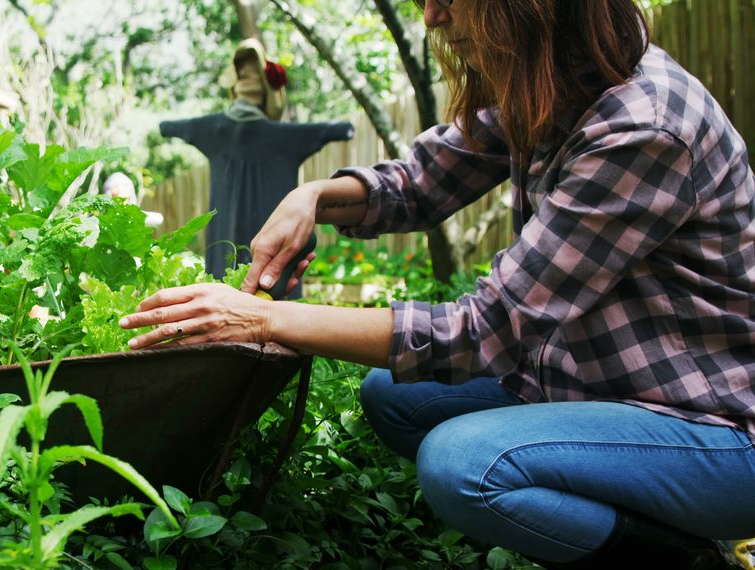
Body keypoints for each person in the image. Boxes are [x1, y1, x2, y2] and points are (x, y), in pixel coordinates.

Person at [121, 0, 755, 567]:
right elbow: (421, 182)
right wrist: (311, 195)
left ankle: (682, 559)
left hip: (713, 431)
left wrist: (263, 318)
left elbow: (481, 333)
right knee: (396, 395)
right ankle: (618, 522)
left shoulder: (641, 128)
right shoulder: (555, 84)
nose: (430, 17)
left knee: (464, 465)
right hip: (599, 383)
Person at [158, 38, 354, 298]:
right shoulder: (286, 137)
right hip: (275, 273)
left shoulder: (213, 130)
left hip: (227, 267)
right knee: (278, 323)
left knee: (222, 315)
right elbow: (341, 130)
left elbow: (168, 127)